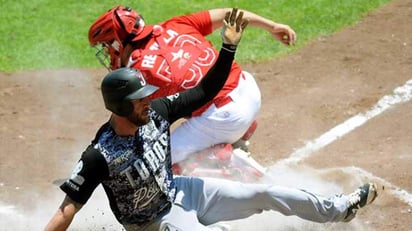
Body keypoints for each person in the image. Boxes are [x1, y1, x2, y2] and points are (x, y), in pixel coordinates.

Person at [45, 9, 378, 231]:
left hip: (185, 186)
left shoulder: (158, 111)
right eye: (142, 97)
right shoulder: (99, 155)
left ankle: (337, 208)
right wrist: (85, 176)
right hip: (156, 218)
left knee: (263, 194)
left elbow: (205, 89)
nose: (150, 99)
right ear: (122, 106)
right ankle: (227, 149)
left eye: (149, 94)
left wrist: (229, 48)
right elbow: (66, 209)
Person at [87, 5, 297, 165]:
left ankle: (220, 161)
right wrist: (272, 26)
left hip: (227, 118)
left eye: (106, 46)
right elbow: (230, 14)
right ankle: (236, 136)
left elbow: (137, 126)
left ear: (116, 43)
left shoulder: (138, 71)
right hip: (250, 90)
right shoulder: (175, 25)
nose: (106, 52)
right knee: (193, 102)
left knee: (156, 161)